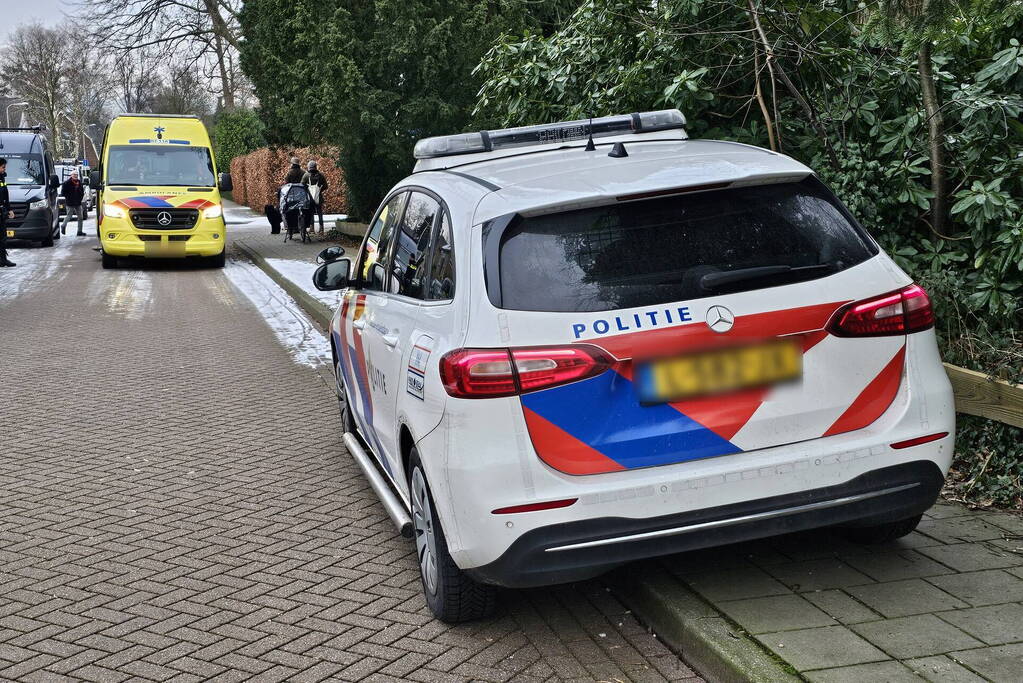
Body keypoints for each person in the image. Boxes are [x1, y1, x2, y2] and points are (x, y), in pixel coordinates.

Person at [301, 160, 329, 233]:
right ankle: (321, 228)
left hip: (309, 198)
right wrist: (319, 190)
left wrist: (307, 191)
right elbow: (326, 186)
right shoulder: (321, 175)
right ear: (316, 167)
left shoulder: (306, 175)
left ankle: (312, 228)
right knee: (319, 212)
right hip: (318, 197)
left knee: (311, 212)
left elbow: (302, 186)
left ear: (308, 167)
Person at [60, 171, 86, 236]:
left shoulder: (79, 182)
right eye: (74, 174)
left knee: (80, 217)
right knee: (69, 215)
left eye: (77, 175)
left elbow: (82, 191)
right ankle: (63, 225)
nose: (76, 176)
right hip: (70, 202)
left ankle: (79, 231)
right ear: (71, 175)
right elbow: (63, 193)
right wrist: (69, 197)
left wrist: (80, 197)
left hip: (78, 202)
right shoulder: (66, 183)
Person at [0, 158, 15, 267]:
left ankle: (3, 259)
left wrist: (9, 209)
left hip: (2, 212)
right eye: (3, 167)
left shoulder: (2, 178)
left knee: (2, 237)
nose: (4, 169)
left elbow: (5, 195)